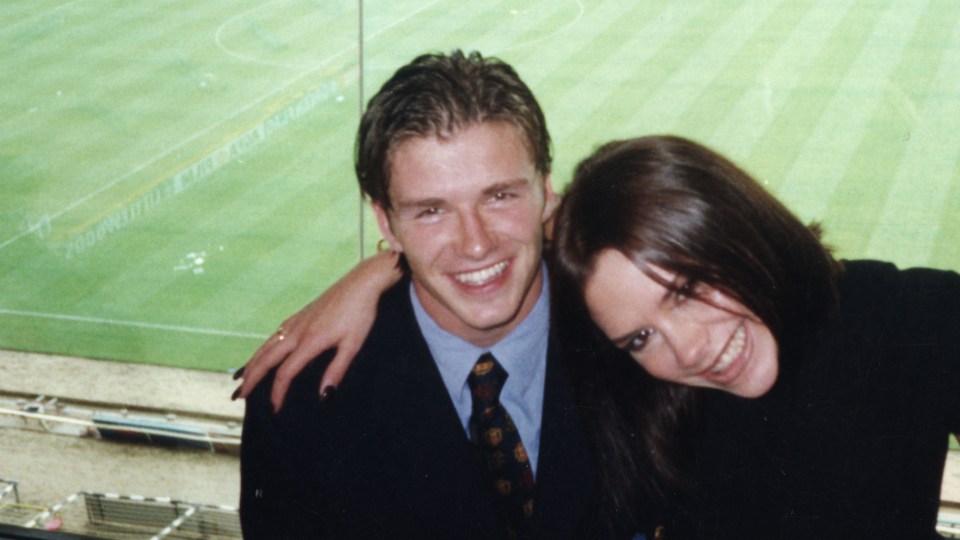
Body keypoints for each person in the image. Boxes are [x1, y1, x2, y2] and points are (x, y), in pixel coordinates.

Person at [238, 134, 960, 538]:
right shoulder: (651, 390)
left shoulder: (902, 318)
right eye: (642, 337)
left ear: (730, 228)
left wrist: (386, 265)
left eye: (686, 291)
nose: (690, 349)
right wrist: (390, 269)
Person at [239, 49, 619, 539]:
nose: (476, 242)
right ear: (387, 224)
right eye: (431, 211)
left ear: (547, 195)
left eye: (499, 196)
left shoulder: (640, 340)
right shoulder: (301, 406)